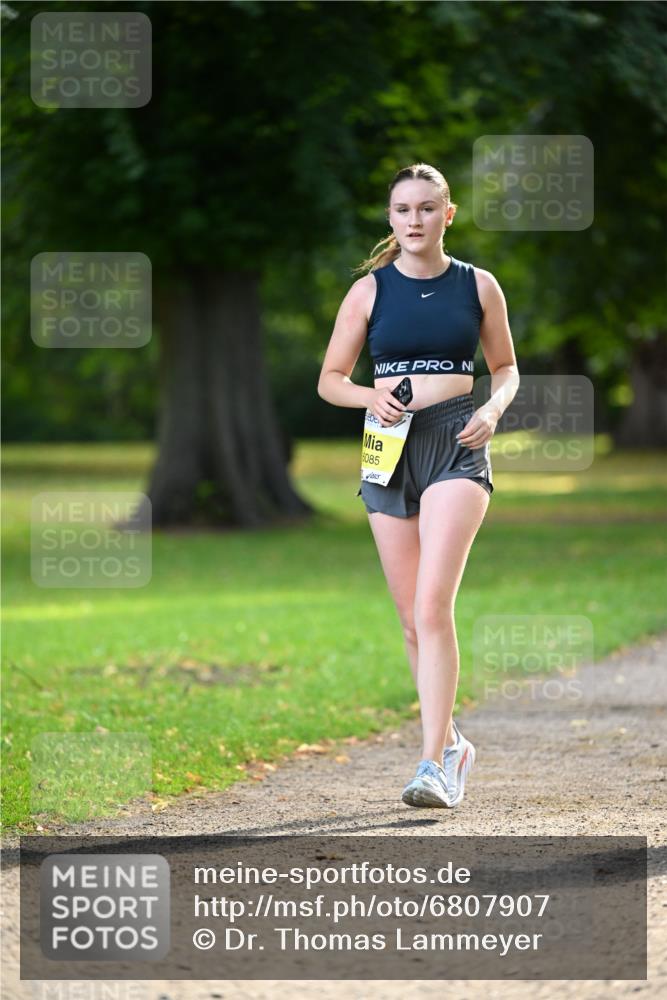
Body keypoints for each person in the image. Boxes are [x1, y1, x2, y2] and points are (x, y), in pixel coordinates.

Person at [317, 163, 519, 808]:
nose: (414, 220)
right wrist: (365, 396)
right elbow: (330, 379)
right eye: (403, 210)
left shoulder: (478, 286)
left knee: (433, 607)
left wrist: (490, 411)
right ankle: (453, 742)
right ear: (390, 218)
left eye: (427, 209)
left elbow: (507, 367)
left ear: (447, 214)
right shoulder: (368, 292)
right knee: (410, 620)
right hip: (388, 446)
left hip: (457, 441)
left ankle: (432, 765)